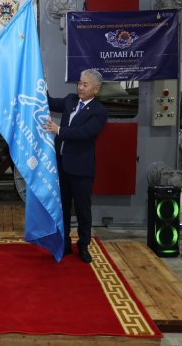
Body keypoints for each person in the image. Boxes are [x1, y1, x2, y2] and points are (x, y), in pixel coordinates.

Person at [44, 69, 107, 263]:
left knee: (82, 210)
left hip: (81, 169)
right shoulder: (71, 99)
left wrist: (59, 129)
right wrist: (42, 85)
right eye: (79, 83)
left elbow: (85, 133)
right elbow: (50, 102)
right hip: (62, 166)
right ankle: (64, 244)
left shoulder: (99, 111)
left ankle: (83, 246)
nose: (80, 87)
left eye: (85, 84)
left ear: (96, 89)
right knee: (62, 207)